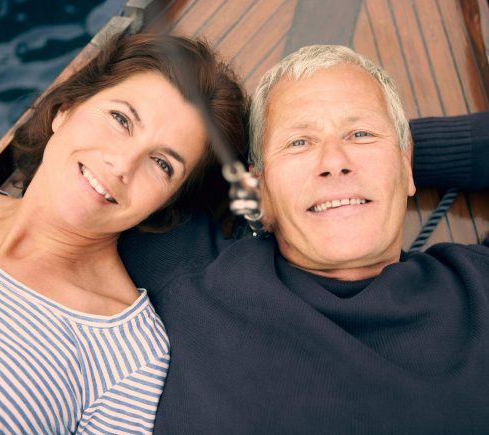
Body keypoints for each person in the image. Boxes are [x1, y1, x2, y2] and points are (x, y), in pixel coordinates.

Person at [119, 43, 489, 434]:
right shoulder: (187, 273)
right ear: (258, 189)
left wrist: (397, 159)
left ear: (405, 163)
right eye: (299, 143)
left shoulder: (478, 287)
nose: (334, 161)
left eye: (361, 133)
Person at [0, 31, 247, 434]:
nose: (123, 164)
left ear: (167, 202)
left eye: (162, 164)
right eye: (121, 119)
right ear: (66, 108)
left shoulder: (128, 356)